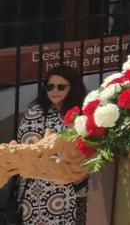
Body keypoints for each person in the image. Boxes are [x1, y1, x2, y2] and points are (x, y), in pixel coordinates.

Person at [17, 65, 87, 224]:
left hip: (70, 186)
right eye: (50, 86)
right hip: (39, 187)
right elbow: (29, 149)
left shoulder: (79, 114)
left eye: (61, 87)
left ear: (72, 88)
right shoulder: (36, 112)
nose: (54, 91)